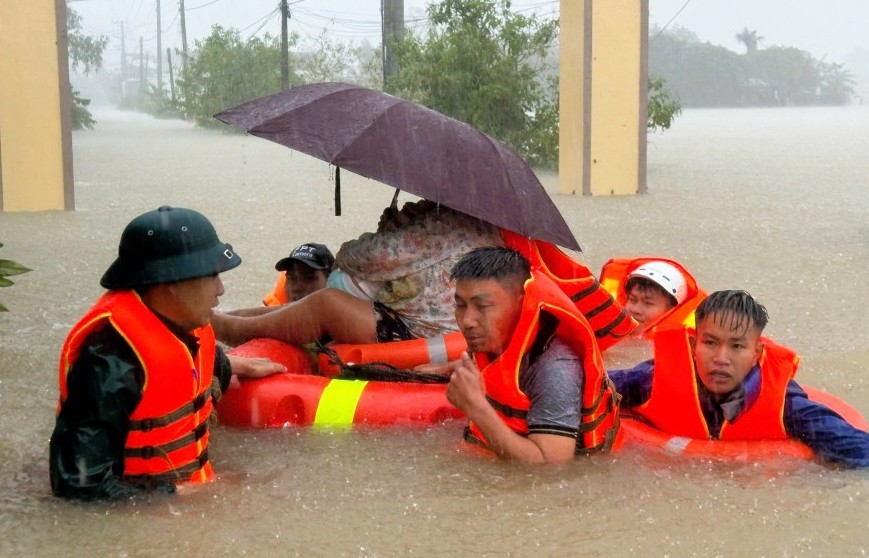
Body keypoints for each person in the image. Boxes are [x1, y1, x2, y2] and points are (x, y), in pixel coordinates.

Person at [49, 206, 287, 500]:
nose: (221, 289)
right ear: (171, 283)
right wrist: (179, 494)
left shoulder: (187, 324)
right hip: (143, 521)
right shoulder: (109, 363)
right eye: (212, 275)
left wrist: (234, 365)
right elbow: (78, 486)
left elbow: (185, 373)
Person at [608, 290, 869, 468]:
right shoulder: (652, 379)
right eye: (710, 343)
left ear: (756, 353)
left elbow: (855, 448)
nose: (721, 358)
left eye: (737, 347)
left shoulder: (783, 403)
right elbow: (592, 385)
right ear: (693, 344)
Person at [212, 200, 503, 346]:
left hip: (421, 332)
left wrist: (392, 228)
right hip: (445, 327)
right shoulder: (486, 226)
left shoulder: (440, 229)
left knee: (325, 304)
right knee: (311, 303)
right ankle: (224, 317)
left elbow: (357, 257)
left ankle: (228, 328)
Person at [445, 246, 619, 464]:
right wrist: (445, 369)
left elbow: (550, 466)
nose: (467, 320)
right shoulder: (491, 337)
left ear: (522, 302)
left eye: (482, 306)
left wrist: (476, 408)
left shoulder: (555, 367)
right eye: (461, 305)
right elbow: (494, 368)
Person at [600, 257, 705, 336]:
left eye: (648, 303)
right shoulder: (602, 331)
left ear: (670, 311)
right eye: (632, 299)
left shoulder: (673, 349)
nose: (635, 309)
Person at [261, 243, 334, 306]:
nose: (297, 288)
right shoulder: (272, 319)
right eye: (292, 278)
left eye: (309, 278)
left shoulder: (343, 319)